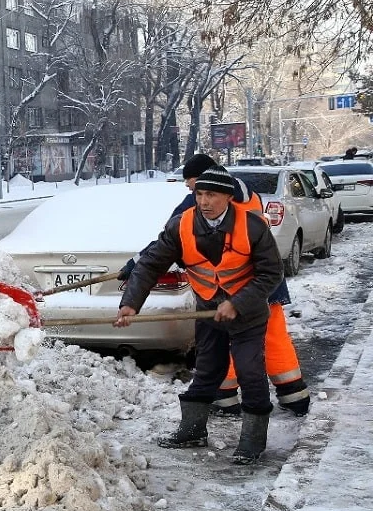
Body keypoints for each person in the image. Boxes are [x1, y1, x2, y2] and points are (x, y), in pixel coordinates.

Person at [116, 166, 284, 464]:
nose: (204, 201)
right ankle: (192, 429)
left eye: (211, 195)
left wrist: (237, 302)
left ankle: (253, 441)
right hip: (208, 310)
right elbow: (151, 264)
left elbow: (271, 273)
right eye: (199, 194)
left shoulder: (253, 226)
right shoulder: (181, 225)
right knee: (207, 369)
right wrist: (130, 304)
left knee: (249, 370)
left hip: (247, 314)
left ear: (228, 198)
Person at [121, 153, 310, 417]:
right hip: (264, 283)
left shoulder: (201, 202)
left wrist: (134, 262)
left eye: (192, 185)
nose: (196, 195)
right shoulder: (244, 192)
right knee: (273, 338)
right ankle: (294, 395)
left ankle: (227, 399)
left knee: (233, 348)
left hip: (236, 287)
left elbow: (166, 241)